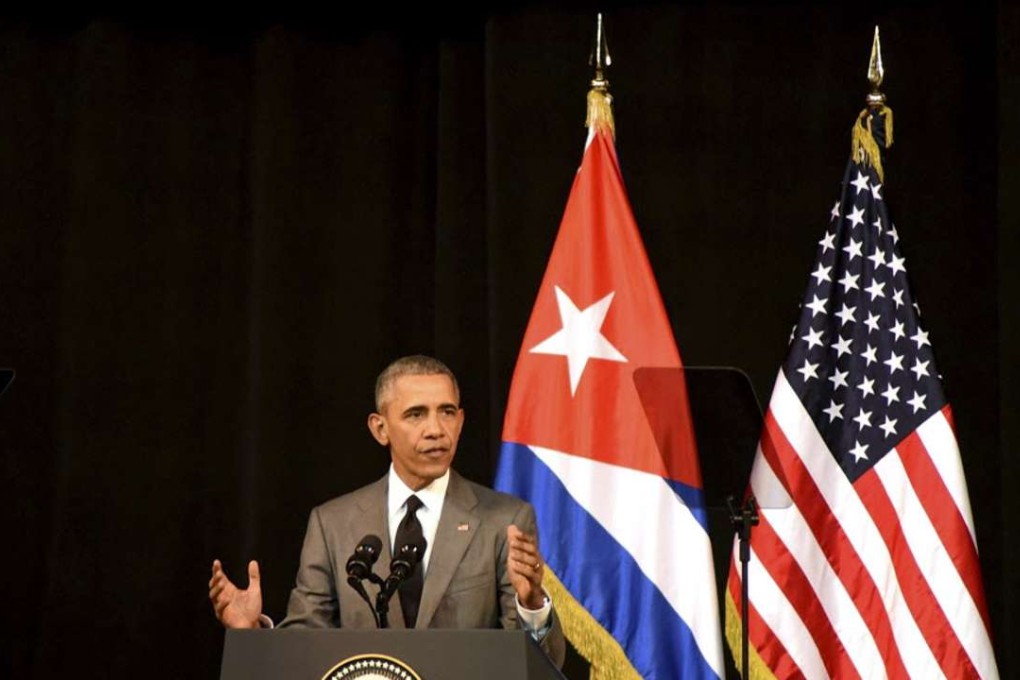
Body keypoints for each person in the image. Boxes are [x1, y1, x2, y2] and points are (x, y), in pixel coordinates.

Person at [208, 354, 566, 668]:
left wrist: (531, 604)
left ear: (460, 421)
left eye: (447, 412)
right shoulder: (332, 523)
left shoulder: (505, 520)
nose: (435, 430)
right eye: (416, 414)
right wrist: (253, 633)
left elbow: (540, 667)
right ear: (380, 428)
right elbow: (307, 646)